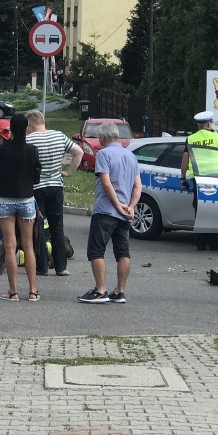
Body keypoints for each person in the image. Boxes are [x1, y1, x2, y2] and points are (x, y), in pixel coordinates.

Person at [78, 121, 142, 304]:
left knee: (96, 250)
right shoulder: (130, 156)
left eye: (99, 136)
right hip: (125, 214)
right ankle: (119, 291)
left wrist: (117, 204)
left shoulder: (103, 154)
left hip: (106, 210)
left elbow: (106, 183)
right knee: (123, 252)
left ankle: (101, 290)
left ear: (104, 137)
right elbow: (138, 185)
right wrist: (130, 206)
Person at [0, 113, 42, 302]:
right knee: (28, 246)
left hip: (4, 200)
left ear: (10, 129)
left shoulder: (0, 151)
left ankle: (13, 292)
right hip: (26, 199)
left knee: (10, 246)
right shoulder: (32, 150)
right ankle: (33, 291)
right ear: (27, 127)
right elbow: (36, 177)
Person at [25, 110, 83, 277]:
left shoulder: (29, 140)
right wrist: (68, 172)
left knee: (39, 227)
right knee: (57, 226)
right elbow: (78, 152)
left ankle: (42, 266)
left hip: (37, 188)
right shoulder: (59, 136)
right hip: (56, 187)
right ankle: (61, 266)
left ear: (30, 124)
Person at [180, 110, 218, 250]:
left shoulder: (190, 139)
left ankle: (200, 243)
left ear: (198, 125)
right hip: (217, 176)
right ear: (209, 124)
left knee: (200, 208)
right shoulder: (215, 135)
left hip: (198, 177)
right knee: (216, 207)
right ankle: (215, 243)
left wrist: (183, 178)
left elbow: (185, 160)